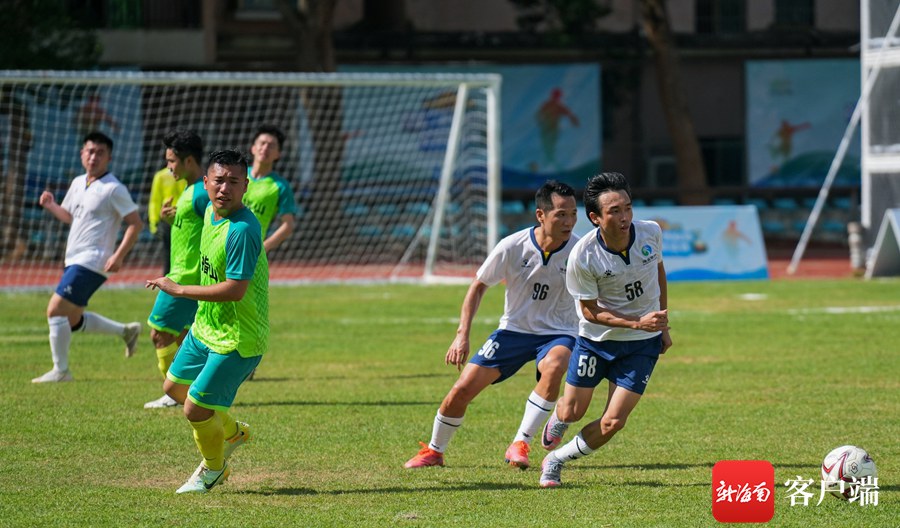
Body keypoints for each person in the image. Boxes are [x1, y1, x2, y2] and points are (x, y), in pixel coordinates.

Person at [404, 181, 580, 470]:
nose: (569, 221)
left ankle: (520, 443)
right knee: (460, 391)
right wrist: (462, 335)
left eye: (573, 214)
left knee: (556, 364)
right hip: (513, 331)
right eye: (560, 214)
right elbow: (478, 286)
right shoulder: (512, 246)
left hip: (559, 332)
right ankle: (435, 451)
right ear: (540, 215)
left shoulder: (579, 250)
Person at [537, 172, 672, 488]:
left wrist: (663, 323)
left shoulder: (651, 232)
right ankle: (559, 419)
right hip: (597, 342)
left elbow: (659, 271)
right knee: (572, 411)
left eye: (627, 207)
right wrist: (636, 322)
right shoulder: (583, 255)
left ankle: (555, 461)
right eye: (614, 211)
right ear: (595, 217)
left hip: (642, 344)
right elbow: (589, 311)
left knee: (614, 421)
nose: (625, 217)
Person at [146, 149, 269, 494]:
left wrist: (179, 290)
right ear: (206, 182)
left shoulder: (243, 230)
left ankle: (213, 470)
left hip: (238, 338)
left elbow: (235, 290)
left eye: (233, 181)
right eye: (218, 180)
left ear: (246, 185)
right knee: (172, 388)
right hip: (206, 327)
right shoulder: (209, 216)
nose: (224, 188)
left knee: (195, 410)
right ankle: (232, 432)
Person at [32, 131, 143, 383]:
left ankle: (61, 371)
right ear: (82, 154)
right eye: (90, 151)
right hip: (74, 258)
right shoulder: (78, 182)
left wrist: (118, 255)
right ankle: (126, 331)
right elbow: (71, 217)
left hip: (94, 259)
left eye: (100, 152)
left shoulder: (114, 188)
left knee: (55, 309)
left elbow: (135, 223)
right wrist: (51, 206)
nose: (94, 156)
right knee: (71, 319)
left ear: (109, 157)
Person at [143, 129, 209, 409]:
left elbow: (217, 226)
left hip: (186, 277)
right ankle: (193, 390)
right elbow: (193, 229)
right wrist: (170, 219)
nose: (168, 166)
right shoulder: (188, 190)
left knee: (159, 333)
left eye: (172, 161)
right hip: (183, 273)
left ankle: (176, 394)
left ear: (189, 161)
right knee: (183, 336)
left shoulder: (201, 194)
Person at [245, 124, 297, 253]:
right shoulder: (236, 176)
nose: (265, 148)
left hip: (251, 252)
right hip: (223, 244)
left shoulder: (280, 186)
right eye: (262, 143)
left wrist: (264, 247)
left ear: (278, 154)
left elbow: (288, 225)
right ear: (253, 148)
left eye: (271, 145)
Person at [148, 166, 187, 275]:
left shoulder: (186, 175)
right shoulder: (160, 176)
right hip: (167, 221)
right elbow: (155, 201)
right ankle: (167, 283)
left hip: (185, 219)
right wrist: (154, 222)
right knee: (169, 254)